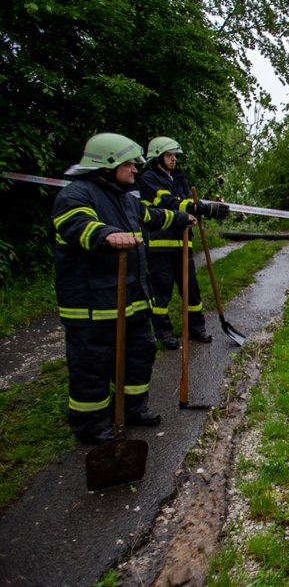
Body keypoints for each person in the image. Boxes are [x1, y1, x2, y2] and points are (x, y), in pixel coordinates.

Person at [53, 133, 194, 444]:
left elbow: (151, 216)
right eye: (129, 164)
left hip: (131, 299)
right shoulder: (76, 195)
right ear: (108, 164)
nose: (135, 170)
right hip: (92, 304)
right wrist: (106, 235)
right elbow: (77, 225)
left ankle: (132, 407)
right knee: (93, 363)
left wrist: (181, 217)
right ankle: (91, 424)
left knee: (141, 352)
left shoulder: (126, 197)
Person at [137, 136, 229, 349]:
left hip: (183, 242)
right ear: (158, 157)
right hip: (161, 245)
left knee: (191, 290)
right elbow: (167, 202)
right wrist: (198, 207)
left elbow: (187, 202)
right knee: (162, 290)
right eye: (169, 155)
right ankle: (163, 332)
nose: (173, 159)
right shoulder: (148, 179)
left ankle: (197, 328)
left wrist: (201, 208)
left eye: (175, 156)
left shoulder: (180, 177)